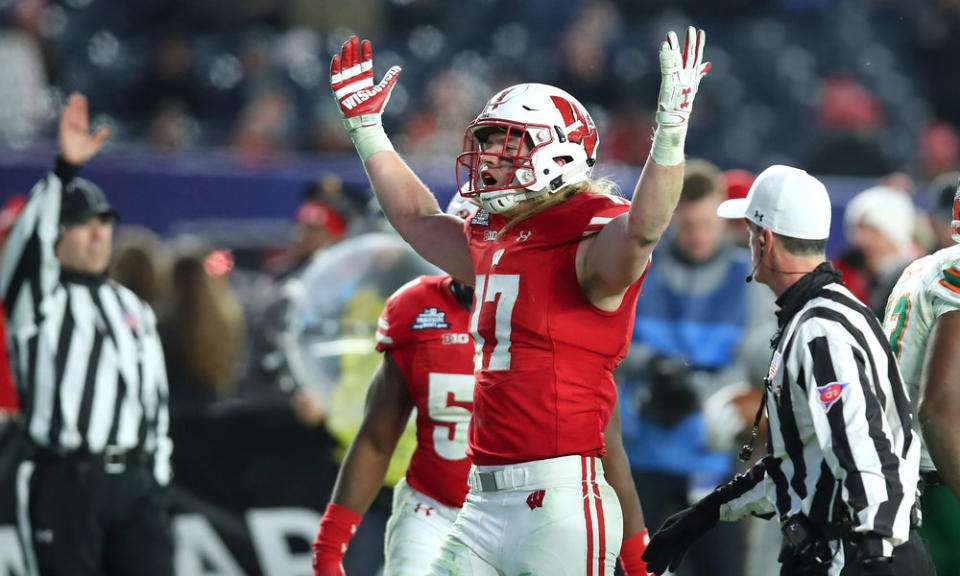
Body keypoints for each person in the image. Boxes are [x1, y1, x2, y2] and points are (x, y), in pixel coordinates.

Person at [318, 27, 710, 576]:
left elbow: (643, 233)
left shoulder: (589, 232)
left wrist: (668, 133)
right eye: (486, 140)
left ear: (558, 152)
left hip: (559, 497)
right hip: (482, 497)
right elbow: (416, 220)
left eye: (507, 140)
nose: (487, 156)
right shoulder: (495, 233)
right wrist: (366, 130)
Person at [642, 165, 933, 576]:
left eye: (748, 232)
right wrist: (707, 513)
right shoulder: (813, 317)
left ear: (766, 239)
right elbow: (797, 463)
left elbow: (862, 446)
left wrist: (874, 550)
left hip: (855, 555)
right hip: (843, 549)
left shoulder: (820, 330)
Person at [0, 93, 174, 576]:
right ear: (57, 235)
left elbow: (153, 399)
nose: (98, 234)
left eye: (103, 223)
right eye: (82, 225)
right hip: (64, 479)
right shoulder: (38, 301)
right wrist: (62, 172)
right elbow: (23, 249)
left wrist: (156, 477)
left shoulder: (132, 306)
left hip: (135, 484)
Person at [616, 158, 776, 576]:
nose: (697, 235)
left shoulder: (751, 280)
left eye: (707, 224)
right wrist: (655, 368)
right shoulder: (640, 269)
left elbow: (758, 362)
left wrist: (699, 391)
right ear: (671, 220)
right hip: (641, 453)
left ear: (723, 218)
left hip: (714, 459)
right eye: (687, 225)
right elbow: (611, 342)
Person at [312, 266, 476, 575]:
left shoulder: (552, 302)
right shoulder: (420, 306)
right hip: (434, 509)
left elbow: (592, 426)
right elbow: (377, 438)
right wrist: (329, 547)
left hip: (524, 509)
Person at [880, 175, 960, 575]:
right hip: (942, 482)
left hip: (902, 480)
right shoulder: (955, 270)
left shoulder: (921, 267)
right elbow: (939, 408)